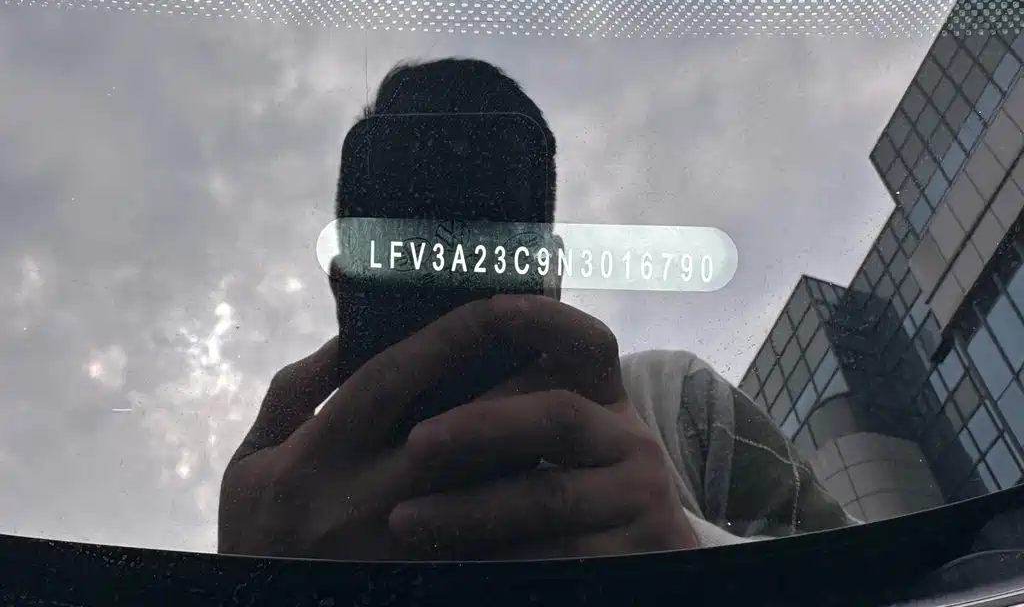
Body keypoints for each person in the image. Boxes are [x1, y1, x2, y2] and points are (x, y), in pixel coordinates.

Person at [218, 58, 858, 561]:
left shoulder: (682, 410)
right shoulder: (289, 502)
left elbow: (891, 582)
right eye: (410, 251)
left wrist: (682, 552)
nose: (450, 279)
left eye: (483, 242)